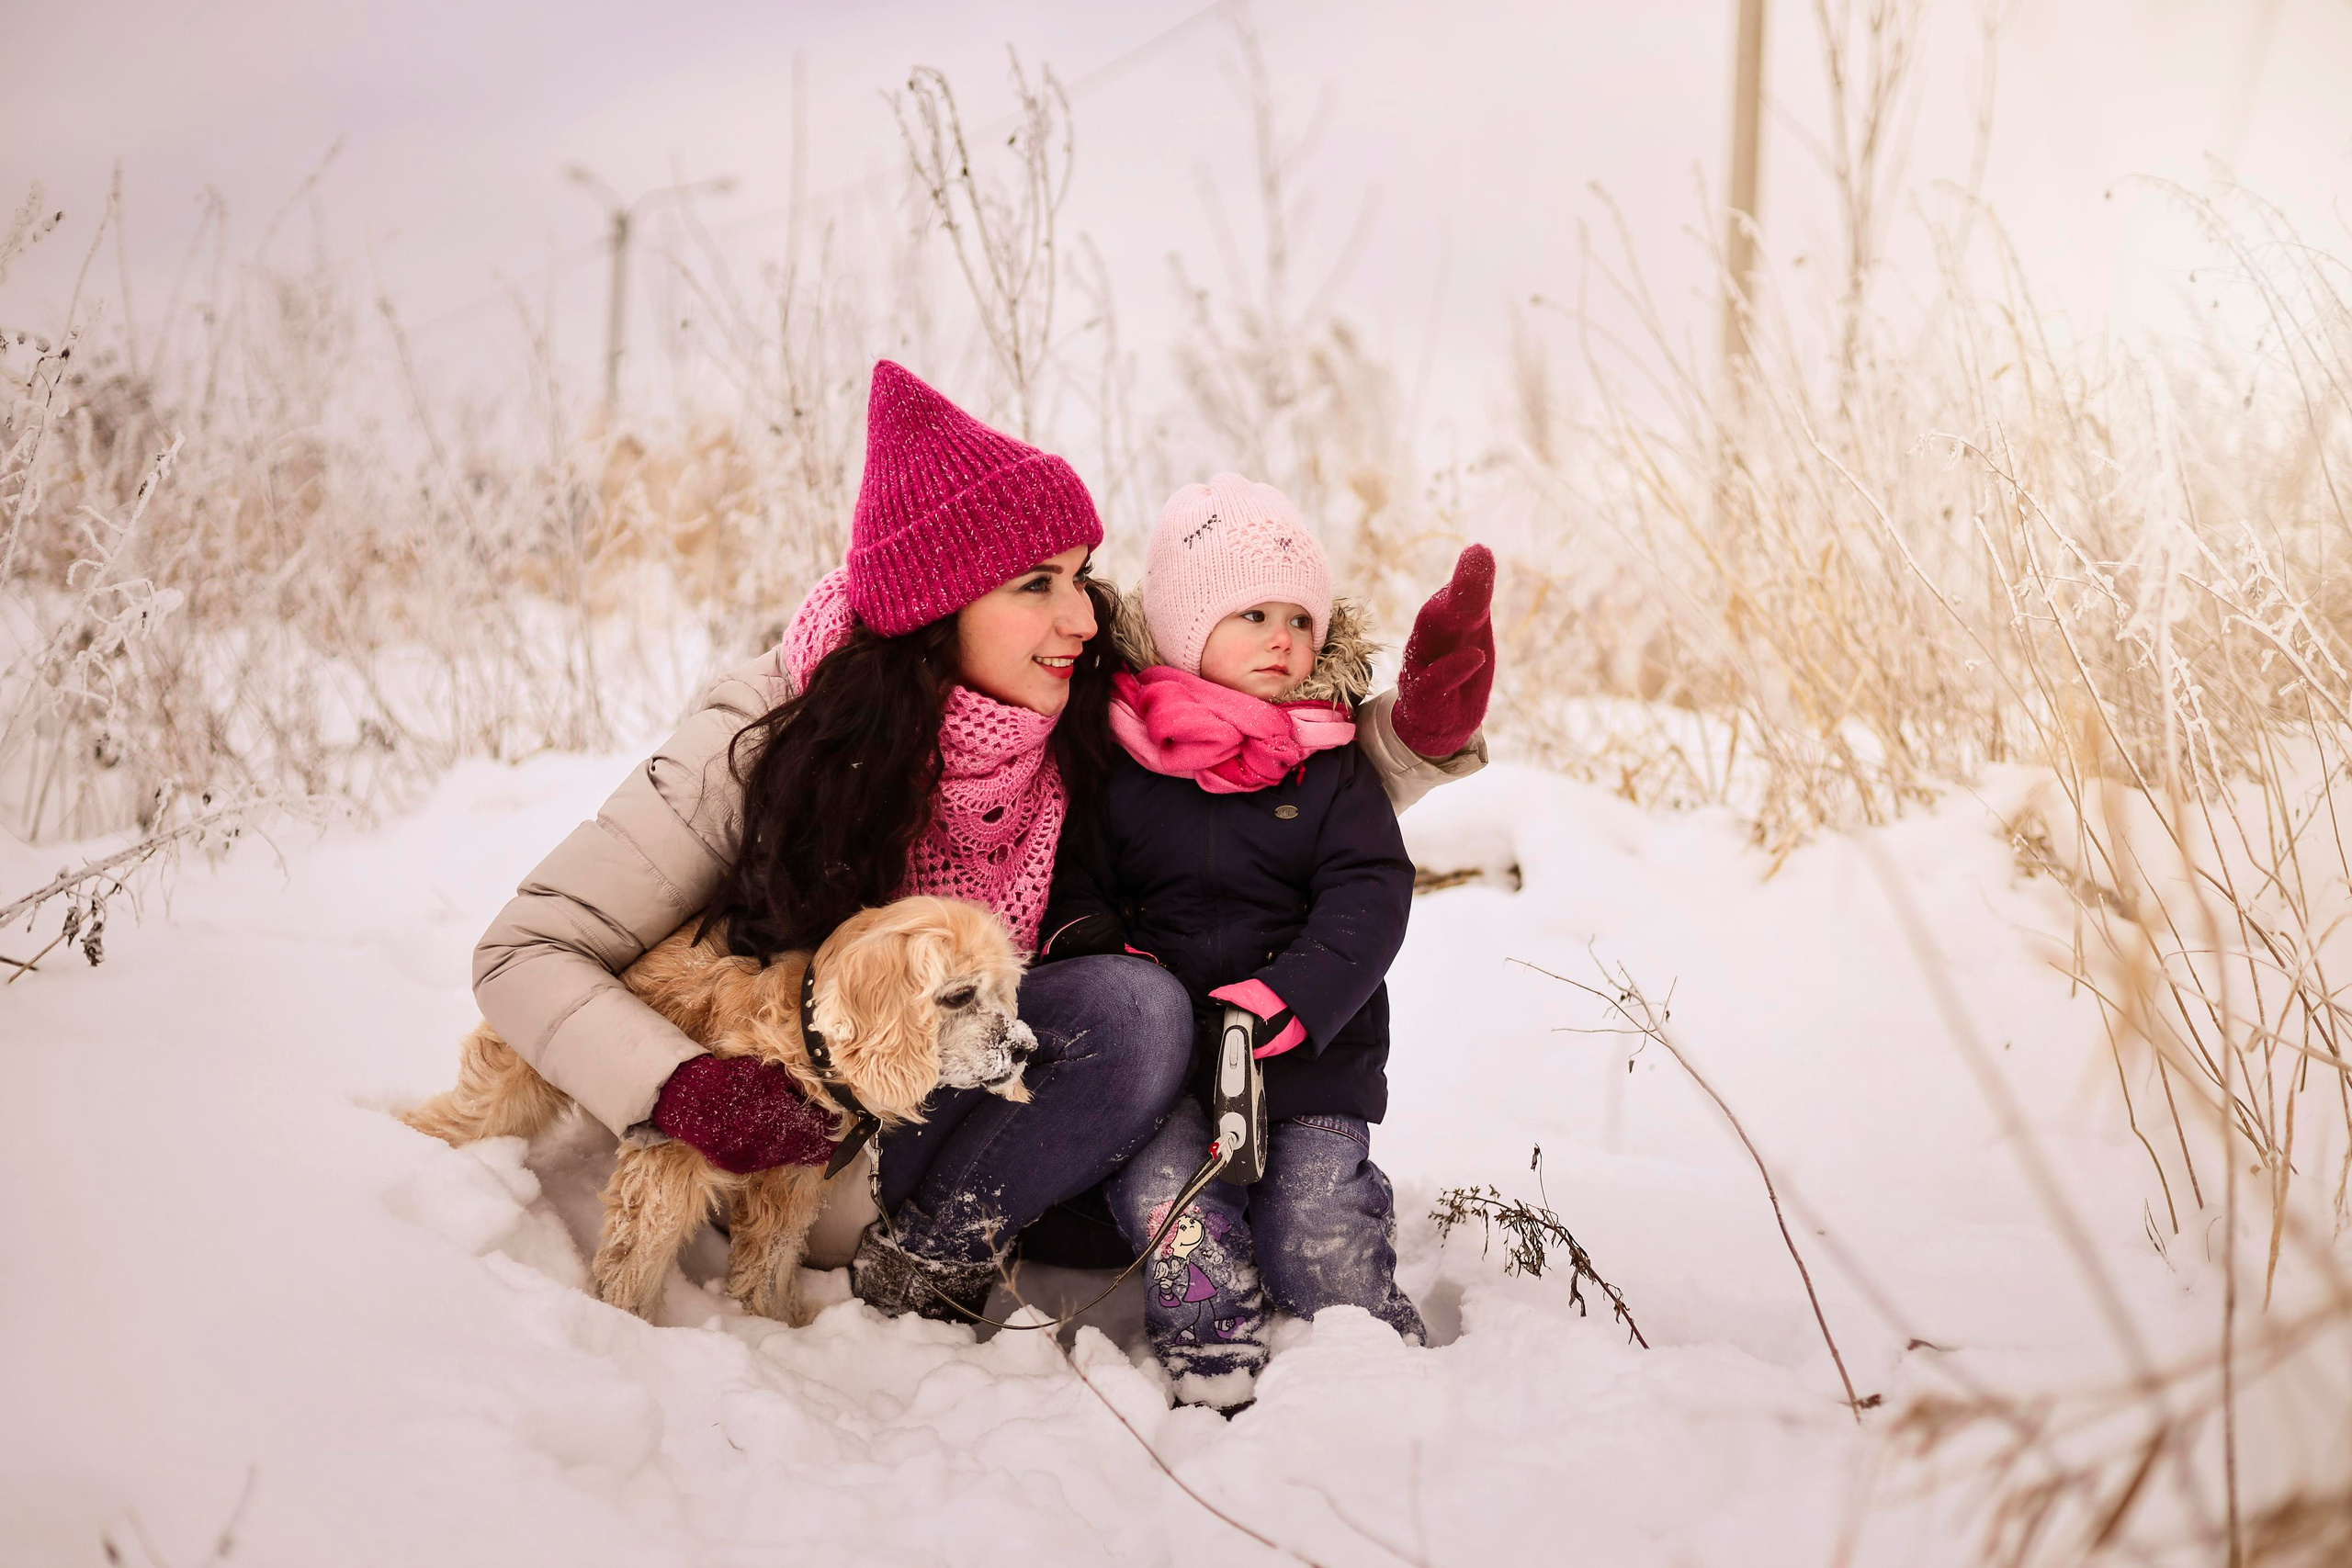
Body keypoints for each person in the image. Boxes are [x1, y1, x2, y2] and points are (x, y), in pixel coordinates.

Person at [469, 362, 1497, 1324]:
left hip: (1013, 1106)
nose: (1083, 618)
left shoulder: (1084, 714)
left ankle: (1006, 1239)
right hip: (817, 1150)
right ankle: (921, 1259)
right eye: (1034, 585)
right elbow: (525, 952)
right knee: (1137, 1012)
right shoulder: (773, 732)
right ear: (933, 607)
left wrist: (1416, 733)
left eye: (1082, 576)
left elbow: (1255, 778)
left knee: (1141, 1041)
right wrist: (679, 1087)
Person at [1038, 473, 1464, 1408]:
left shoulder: (1329, 764)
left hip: (1309, 1054)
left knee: (1314, 1212)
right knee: (1170, 1199)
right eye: (1252, 615)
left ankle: (1372, 1355)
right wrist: (1118, 964)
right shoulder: (1119, 762)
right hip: (1168, 1067)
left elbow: (1369, 890)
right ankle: (1209, 1344)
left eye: (1299, 619)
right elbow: (1073, 888)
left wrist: (1294, 998)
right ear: (1188, 630)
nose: (1284, 638)